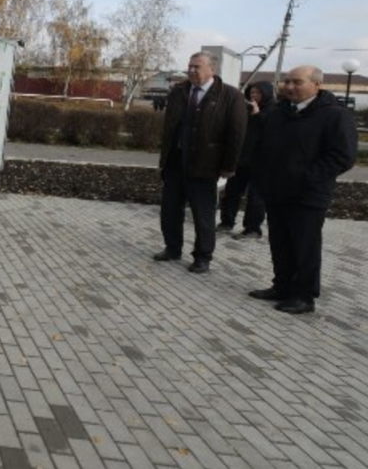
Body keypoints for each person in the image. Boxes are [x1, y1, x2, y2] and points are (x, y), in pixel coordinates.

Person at [249, 65, 357, 314]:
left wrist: (307, 178)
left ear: (317, 85)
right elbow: (264, 146)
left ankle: (304, 296)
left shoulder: (334, 115)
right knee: (280, 243)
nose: (289, 87)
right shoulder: (279, 112)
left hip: (308, 195)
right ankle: (282, 286)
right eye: (287, 81)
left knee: (304, 246)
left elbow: (342, 156)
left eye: (297, 82)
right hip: (276, 191)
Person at [153, 52, 247, 273]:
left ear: (211, 69)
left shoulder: (230, 96)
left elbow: (236, 134)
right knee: (170, 210)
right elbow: (169, 128)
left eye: (197, 66)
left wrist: (228, 166)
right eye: (190, 66)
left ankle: (203, 256)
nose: (192, 70)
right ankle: (172, 248)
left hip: (206, 164)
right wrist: (164, 159)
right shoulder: (179, 91)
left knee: (202, 214)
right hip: (176, 162)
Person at [217, 81, 276, 239]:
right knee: (231, 192)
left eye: (257, 93)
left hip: (262, 162)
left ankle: (252, 229)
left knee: (256, 198)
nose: (253, 95)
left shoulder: (274, 110)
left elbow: (271, 133)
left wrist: (257, 115)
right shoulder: (245, 108)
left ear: (266, 93)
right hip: (242, 159)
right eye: (252, 92)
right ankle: (226, 222)